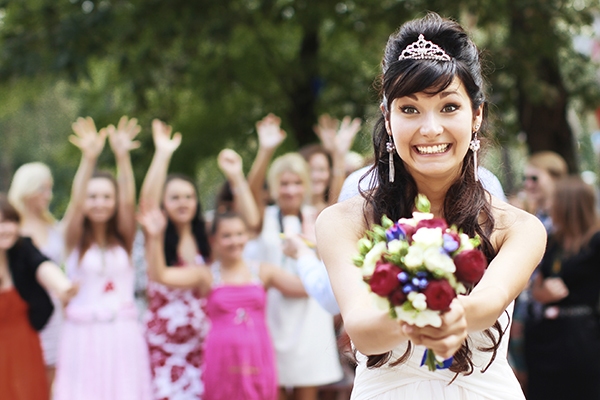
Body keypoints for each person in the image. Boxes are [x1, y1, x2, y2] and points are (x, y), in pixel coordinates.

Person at [316, 13, 546, 399]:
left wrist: (457, 316)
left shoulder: (518, 227)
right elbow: (362, 330)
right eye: (409, 109)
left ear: (477, 116)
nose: (430, 128)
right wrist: (426, 317)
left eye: (448, 107)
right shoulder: (343, 222)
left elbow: (489, 302)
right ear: (388, 120)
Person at [138, 207, 307, 400]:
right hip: (221, 357)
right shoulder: (206, 274)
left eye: (239, 234)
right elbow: (161, 275)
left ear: (247, 236)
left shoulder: (263, 271)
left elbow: (307, 288)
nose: (234, 241)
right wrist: (155, 236)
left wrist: (305, 253)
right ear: (214, 240)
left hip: (257, 354)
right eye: (227, 236)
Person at [53, 116, 152, 400]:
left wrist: (123, 157)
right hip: (82, 337)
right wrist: (88, 158)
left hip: (122, 335)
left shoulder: (124, 237)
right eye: (93, 196)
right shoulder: (72, 239)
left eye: (106, 197)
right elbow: (75, 200)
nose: (99, 203)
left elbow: (129, 201)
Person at [247, 131, 343, 399]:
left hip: (310, 313)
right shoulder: (261, 218)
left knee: (307, 388)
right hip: (272, 314)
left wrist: (337, 153)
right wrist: (265, 151)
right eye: (284, 183)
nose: (290, 190)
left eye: (297, 183)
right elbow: (250, 189)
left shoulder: (317, 216)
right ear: (275, 186)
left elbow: (337, 198)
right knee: (271, 387)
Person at [140, 119, 211, 399]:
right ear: (164, 204)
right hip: (163, 344)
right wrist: (162, 153)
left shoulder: (206, 237)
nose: (183, 202)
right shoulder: (154, 232)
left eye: (189, 197)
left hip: (200, 344)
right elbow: (147, 201)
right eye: (175, 197)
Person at [524, 176, 600, 400]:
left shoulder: (595, 242)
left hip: (584, 338)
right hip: (546, 337)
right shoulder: (553, 241)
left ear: (569, 205)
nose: (549, 205)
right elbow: (535, 287)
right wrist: (542, 293)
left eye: (554, 200)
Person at [0, 194, 75, 400]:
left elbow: (42, 265)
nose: (4, 229)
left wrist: (62, 285)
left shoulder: (22, 249)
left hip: (25, 345)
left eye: (8, 221)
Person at [7, 162, 65, 393]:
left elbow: (49, 266)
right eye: (43, 188)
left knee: (52, 380)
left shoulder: (52, 225)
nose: (48, 195)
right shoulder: (11, 228)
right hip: (22, 314)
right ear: (27, 189)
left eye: (50, 188)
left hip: (54, 310)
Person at [299, 114, 362, 213]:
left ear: (330, 173)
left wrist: (338, 155)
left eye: (321, 170)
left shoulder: (333, 210)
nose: (316, 176)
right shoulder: (287, 208)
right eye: (309, 170)